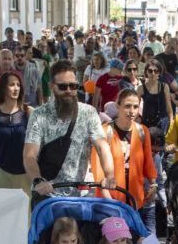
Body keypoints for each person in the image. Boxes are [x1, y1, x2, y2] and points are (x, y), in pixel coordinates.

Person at [24, 60, 115, 198]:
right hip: (47, 194)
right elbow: (29, 155)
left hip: (80, 194)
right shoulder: (39, 114)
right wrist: (38, 180)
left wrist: (109, 175)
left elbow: (102, 147)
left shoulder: (89, 113)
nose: (68, 91)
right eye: (62, 87)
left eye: (73, 86)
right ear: (52, 86)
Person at [91, 89, 158, 231]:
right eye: (127, 106)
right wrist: (109, 201)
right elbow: (98, 169)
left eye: (135, 106)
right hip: (110, 199)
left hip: (135, 199)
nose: (132, 111)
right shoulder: (104, 131)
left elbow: (148, 164)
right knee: (112, 243)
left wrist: (154, 185)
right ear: (118, 106)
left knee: (133, 241)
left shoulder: (142, 131)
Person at [0, 71, 31, 193]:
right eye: (11, 85)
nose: (16, 88)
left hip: (25, 171)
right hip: (1, 170)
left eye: (18, 85)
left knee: (25, 210)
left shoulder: (28, 112)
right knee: (4, 209)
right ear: (3, 88)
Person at [138, 59, 175, 146]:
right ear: (146, 72)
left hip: (162, 122)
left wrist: (172, 123)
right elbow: (135, 106)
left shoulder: (164, 86)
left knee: (160, 149)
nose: (153, 73)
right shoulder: (140, 88)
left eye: (156, 71)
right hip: (146, 122)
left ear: (159, 73)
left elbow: (169, 108)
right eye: (150, 71)